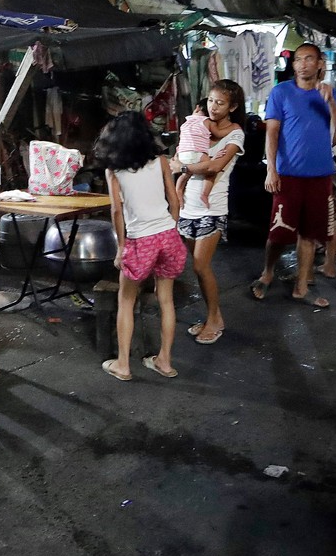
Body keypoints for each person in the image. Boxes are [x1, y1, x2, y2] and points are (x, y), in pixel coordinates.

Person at [250, 43, 336, 308]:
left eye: (309, 59)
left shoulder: (328, 94)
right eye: (298, 59)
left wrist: (330, 102)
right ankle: (267, 272)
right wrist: (271, 169)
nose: (303, 63)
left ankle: (301, 285)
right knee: (278, 231)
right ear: (293, 65)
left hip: (320, 175)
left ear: (320, 64)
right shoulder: (280, 92)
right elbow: (272, 133)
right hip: (288, 174)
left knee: (309, 233)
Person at [96, 111, 186, 380]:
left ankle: (123, 365)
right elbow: (174, 198)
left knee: (126, 300)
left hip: (140, 240)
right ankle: (165, 362)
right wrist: (171, 225)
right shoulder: (159, 160)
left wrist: (121, 248)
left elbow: (116, 211)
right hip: (168, 236)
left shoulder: (114, 170)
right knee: (166, 300)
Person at [170, 80, 245, 346]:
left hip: (212, 208)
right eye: (211, 101)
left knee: (202, 265)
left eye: (221, 103)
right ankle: (213, 317)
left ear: (233, 107)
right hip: (189, 207)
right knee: (198, 268)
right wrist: (183, 167)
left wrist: (185, 168)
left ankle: (214, 319)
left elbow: (215, 167)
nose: (214, 107)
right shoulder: (200, 127)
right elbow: (179, 158)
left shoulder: (236, 134)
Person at [175, 100, 217, 209]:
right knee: (211, 170)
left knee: (185, 175)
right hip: (197, 153)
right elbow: (218, 133)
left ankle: (179, 190)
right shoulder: (208, 122)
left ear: (197, 108)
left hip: (182, 155)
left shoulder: (185, 123)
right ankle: (204, 194)